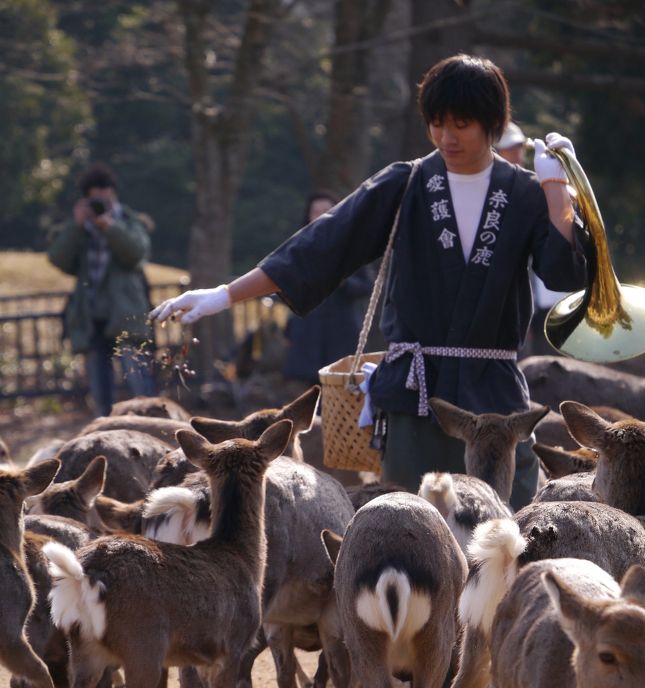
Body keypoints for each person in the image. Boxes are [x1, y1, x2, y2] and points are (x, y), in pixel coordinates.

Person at [151, 54, 588, 510]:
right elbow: (319, 246)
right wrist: (224, 295)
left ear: (492, 123)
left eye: (461, 124)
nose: (446, 137)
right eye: (436, 123)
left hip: (495, 399)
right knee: (412, 528)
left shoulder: (522, 191)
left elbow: (563, 274)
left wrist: (556, 189)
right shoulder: (407, 182)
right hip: (416, 396)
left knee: (507, 531)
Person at [48, 162, 156, 417]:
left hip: (127, 315)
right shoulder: (81, 230)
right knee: (101, 392)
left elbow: (136, 255)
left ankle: (153, 427)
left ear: (113, 194)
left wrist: (110, 227)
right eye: (94, 201)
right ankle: (106, 433)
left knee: (140, 385)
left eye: (104, 200)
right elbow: (58, 259)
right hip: (92, 316)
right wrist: (76, 226)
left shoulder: (129, 221)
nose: (100, 207)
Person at [283, 191, 375, 385]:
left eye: (326, 210)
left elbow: (367, 286)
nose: (320, 215)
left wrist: (342, 280)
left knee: (340, 386)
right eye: (315, 211)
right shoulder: (297, 247)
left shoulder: (353, 245)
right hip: (307, 329)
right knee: (307, 390)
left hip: (341, 330)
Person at [496, 120, 566, 356]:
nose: (517, 154)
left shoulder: (533, 186)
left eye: (519, 148)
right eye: (510, 148)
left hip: (549, 299)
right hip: (516, 308)